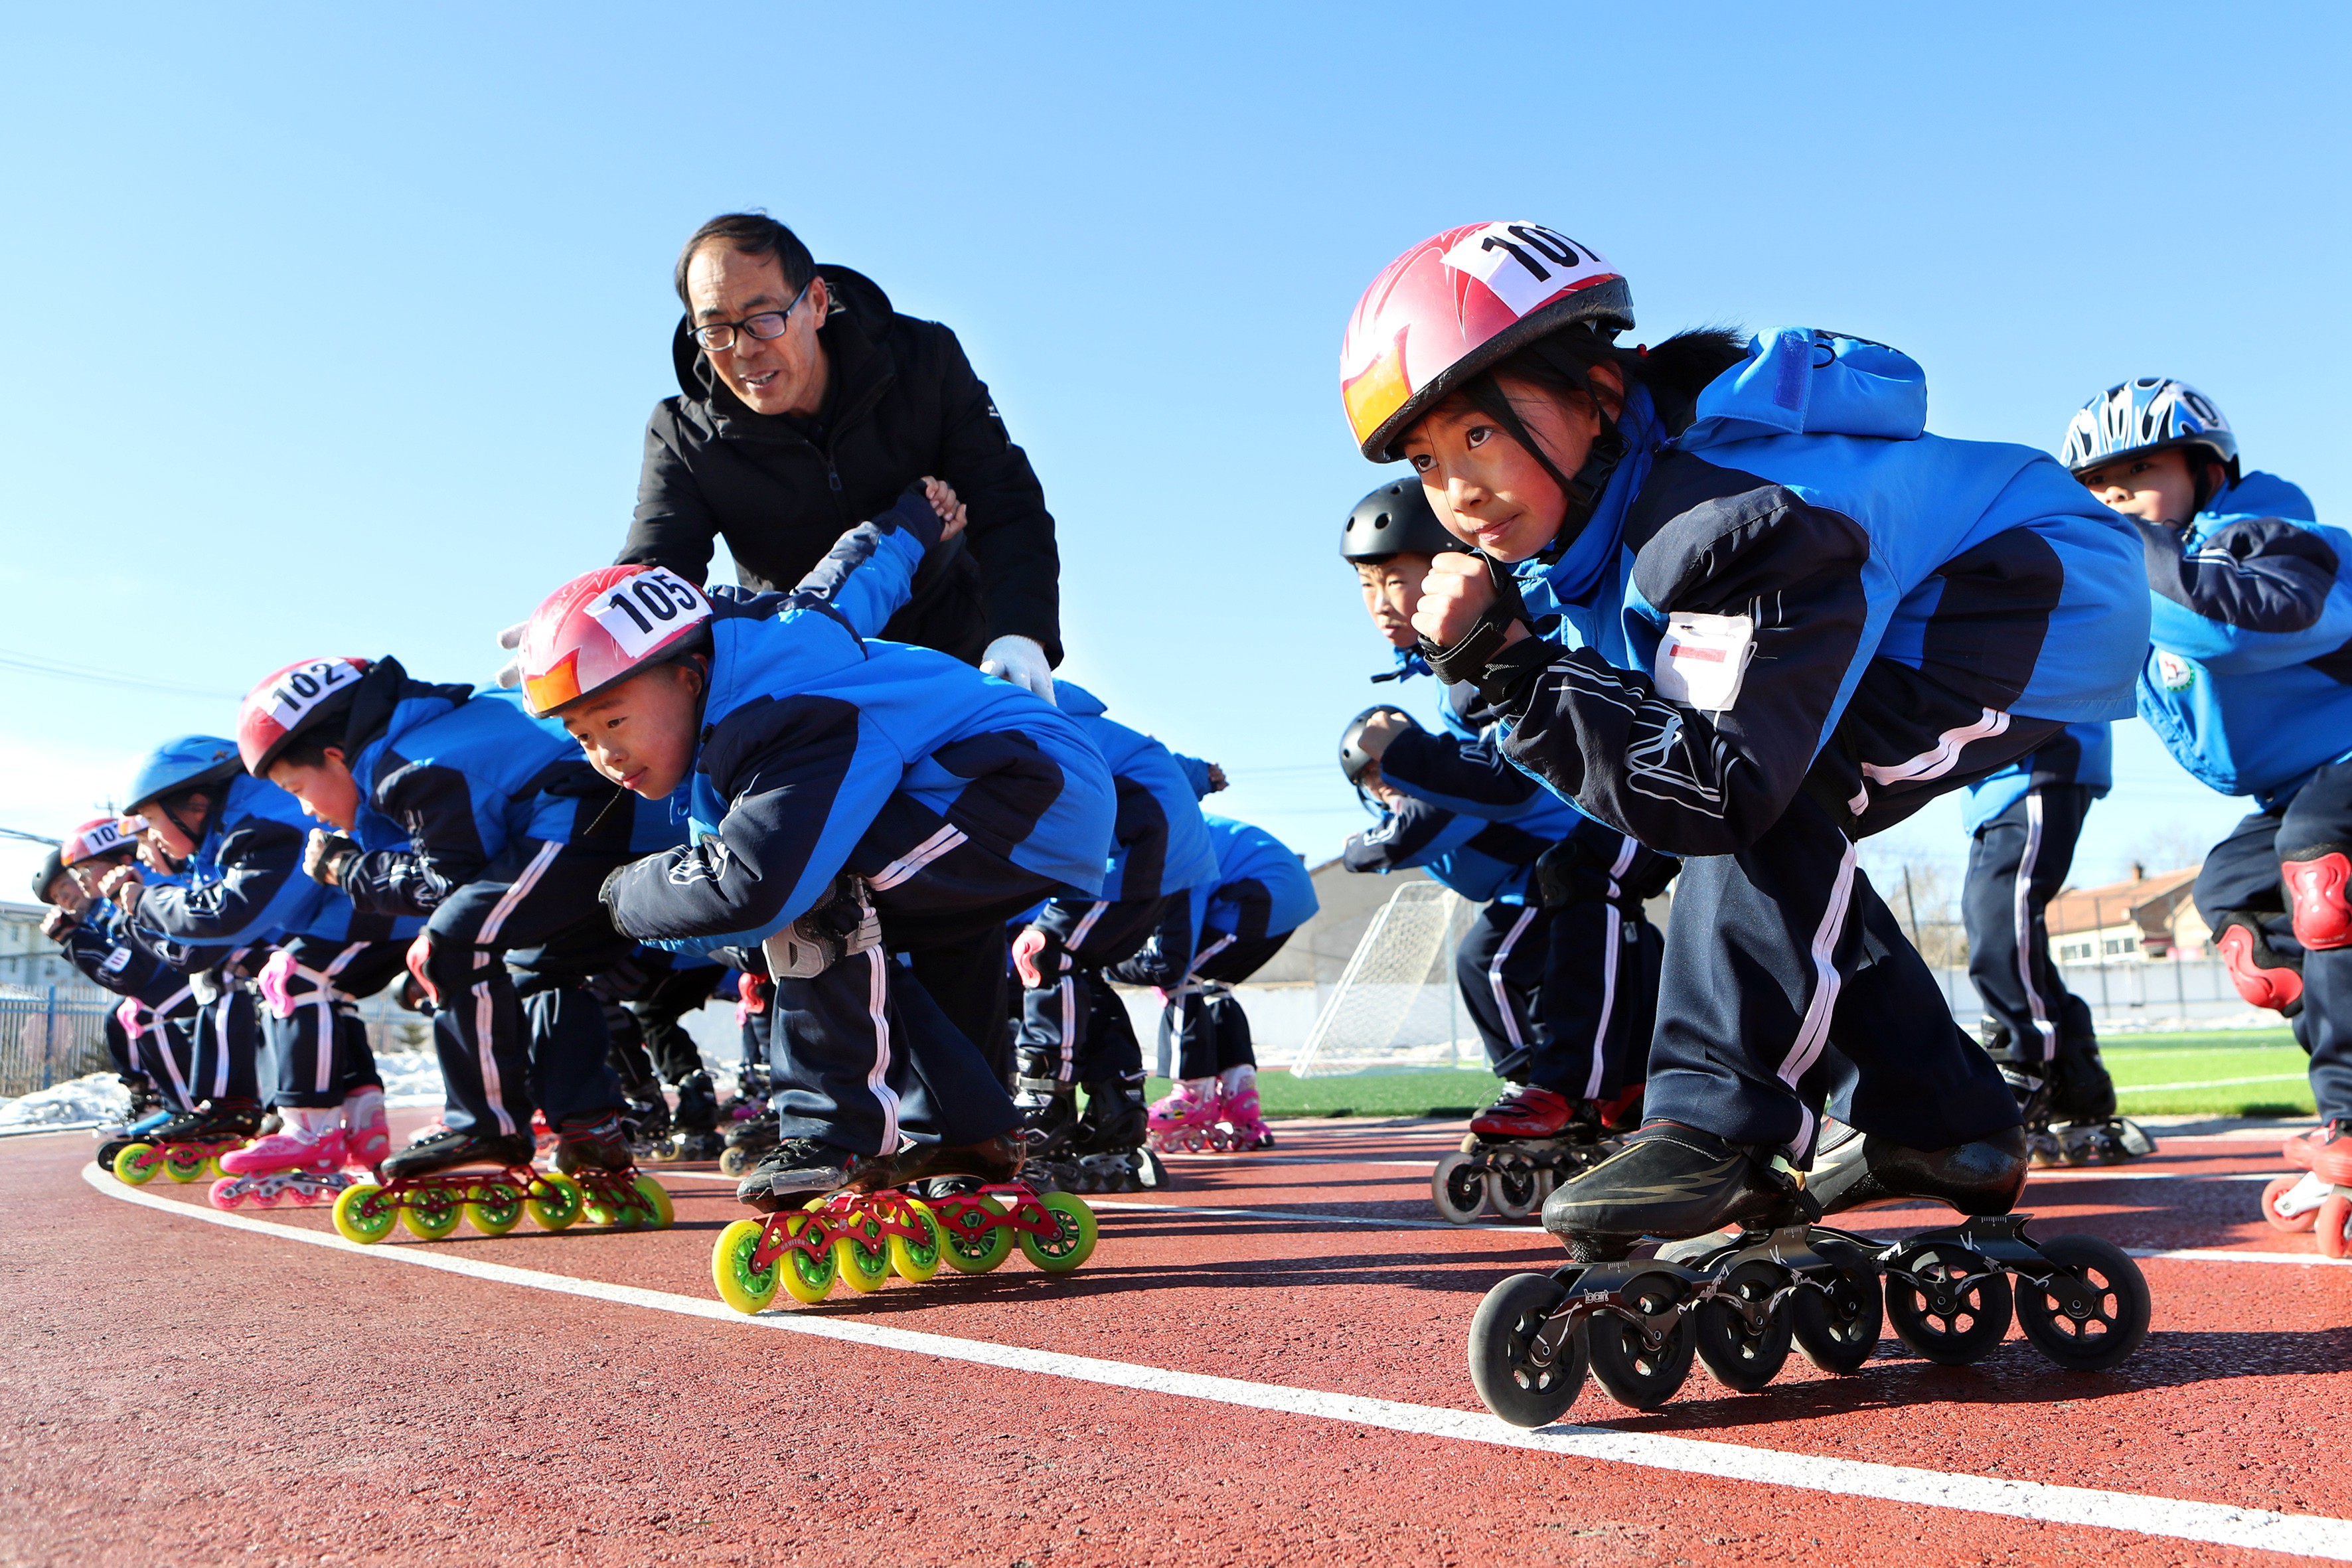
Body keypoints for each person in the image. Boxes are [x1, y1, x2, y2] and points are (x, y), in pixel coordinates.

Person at [1344, 222, 2147, 1256]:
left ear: (1593, 392)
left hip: (2022, 597)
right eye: (1423, 457)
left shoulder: (1723, 523)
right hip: (1925, 587)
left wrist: (1506, 667)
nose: (1452, 490)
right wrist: (1495, 667)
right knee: (1773, 811)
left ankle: (1716, 1122)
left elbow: (1719, 791)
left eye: (1478, 435)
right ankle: (1949, 1126)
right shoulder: (1593, 527)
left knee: (1761, 795)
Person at [518, 485, 1116, 1212]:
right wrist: (912, 522)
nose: (605, 753)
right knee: (869, 939)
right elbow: (850, 579)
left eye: (613, 719)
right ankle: (968, 1133)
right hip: (988, 790)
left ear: (689, 673)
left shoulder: (777, 714)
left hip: (1020, 790)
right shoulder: (772, 640)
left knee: (815, 898)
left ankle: (835, 1131)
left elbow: (754, 886)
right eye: (583, 737)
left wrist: (618, 896)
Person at [2057, 380, 2349, 1244]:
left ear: (2207, 469)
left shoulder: (2277, 541)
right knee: (2238, 903)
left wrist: (2116, 546)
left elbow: (2238, 626)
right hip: (2298, 784)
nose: (2112, 497)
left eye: (2136, 471)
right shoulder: (2139, 587)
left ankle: (2347, 1115)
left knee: (2317, 859)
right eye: (2094, 485)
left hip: (2337, 777)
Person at [1337, 479, 1670, 1174]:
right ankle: (1621, 1083)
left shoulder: (1491, 622)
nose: (1380, 604)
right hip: (1616, 784)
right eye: (1366, 587)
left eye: (1394, 580)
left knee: (1580, 875)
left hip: (1650, 767)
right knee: (1577, 900)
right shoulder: (1448, 662)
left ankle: (1570, 1087)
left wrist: (1400, 754)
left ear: (1447, 561)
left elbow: (1510, 780)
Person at [241, 656, 643, 1182]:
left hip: (585, 816)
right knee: (540, 963)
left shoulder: (410, 766)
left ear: (337, 757)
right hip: (619, 818)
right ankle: (589, 1125)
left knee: (449, 944)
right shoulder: (429, 735)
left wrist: (346, 868)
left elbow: (446, 882)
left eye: (297, 790)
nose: (306, 812)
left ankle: (486, 1127)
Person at [1006, 679, 1221, 1189]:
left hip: (1144, 853)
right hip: (1166, 856)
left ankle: (1044, 1102)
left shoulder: (1037, 725)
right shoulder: (1099, 728)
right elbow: (1173, 766)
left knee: (1045, 951)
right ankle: (1116, 1111)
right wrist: (1208, 777)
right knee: (1081, 971)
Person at [1959, 722, 2152, 1164]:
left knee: (2002, 920)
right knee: (2004, 925)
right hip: (1992, 778)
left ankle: (2022, 1063)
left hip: (2035, 755)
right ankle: (2077, 1077)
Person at [1139, 814, 1320, 1152]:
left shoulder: (1169, 834)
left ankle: (1193, 1095)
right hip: (1288, 894)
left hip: (1259, 894)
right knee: (1215, 985)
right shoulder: (1175, 813)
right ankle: (1242, 1098)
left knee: (1179, 977)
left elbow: (1182, 927)